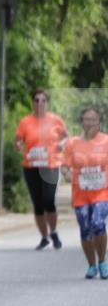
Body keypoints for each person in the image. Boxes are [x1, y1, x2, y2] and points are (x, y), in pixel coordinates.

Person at [15, 88, 68, 250]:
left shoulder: (55, 120)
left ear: (47, 103)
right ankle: (45, 238)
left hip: (50, 165)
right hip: (31, 167)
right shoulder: (25, 122)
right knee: (38, 203)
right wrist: (18, 144)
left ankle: (54, 232)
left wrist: (61, 144)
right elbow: (18, 140)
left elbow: (66, 137)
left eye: (43, 100)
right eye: (36, 100)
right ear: (32, 103)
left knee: (49, 200)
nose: (40, 103)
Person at [62, 106, 108, 279]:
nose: (90, 123)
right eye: (87, 119)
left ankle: (102, 262)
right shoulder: (73, 143)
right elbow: (65, 166)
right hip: (81, 194)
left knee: (98, 223)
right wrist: (67, 174)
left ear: (99, 122)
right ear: (82, 122)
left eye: (93, 119)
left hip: (102, 193)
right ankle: (91, 265)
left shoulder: (106, 141)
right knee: (85, 229)